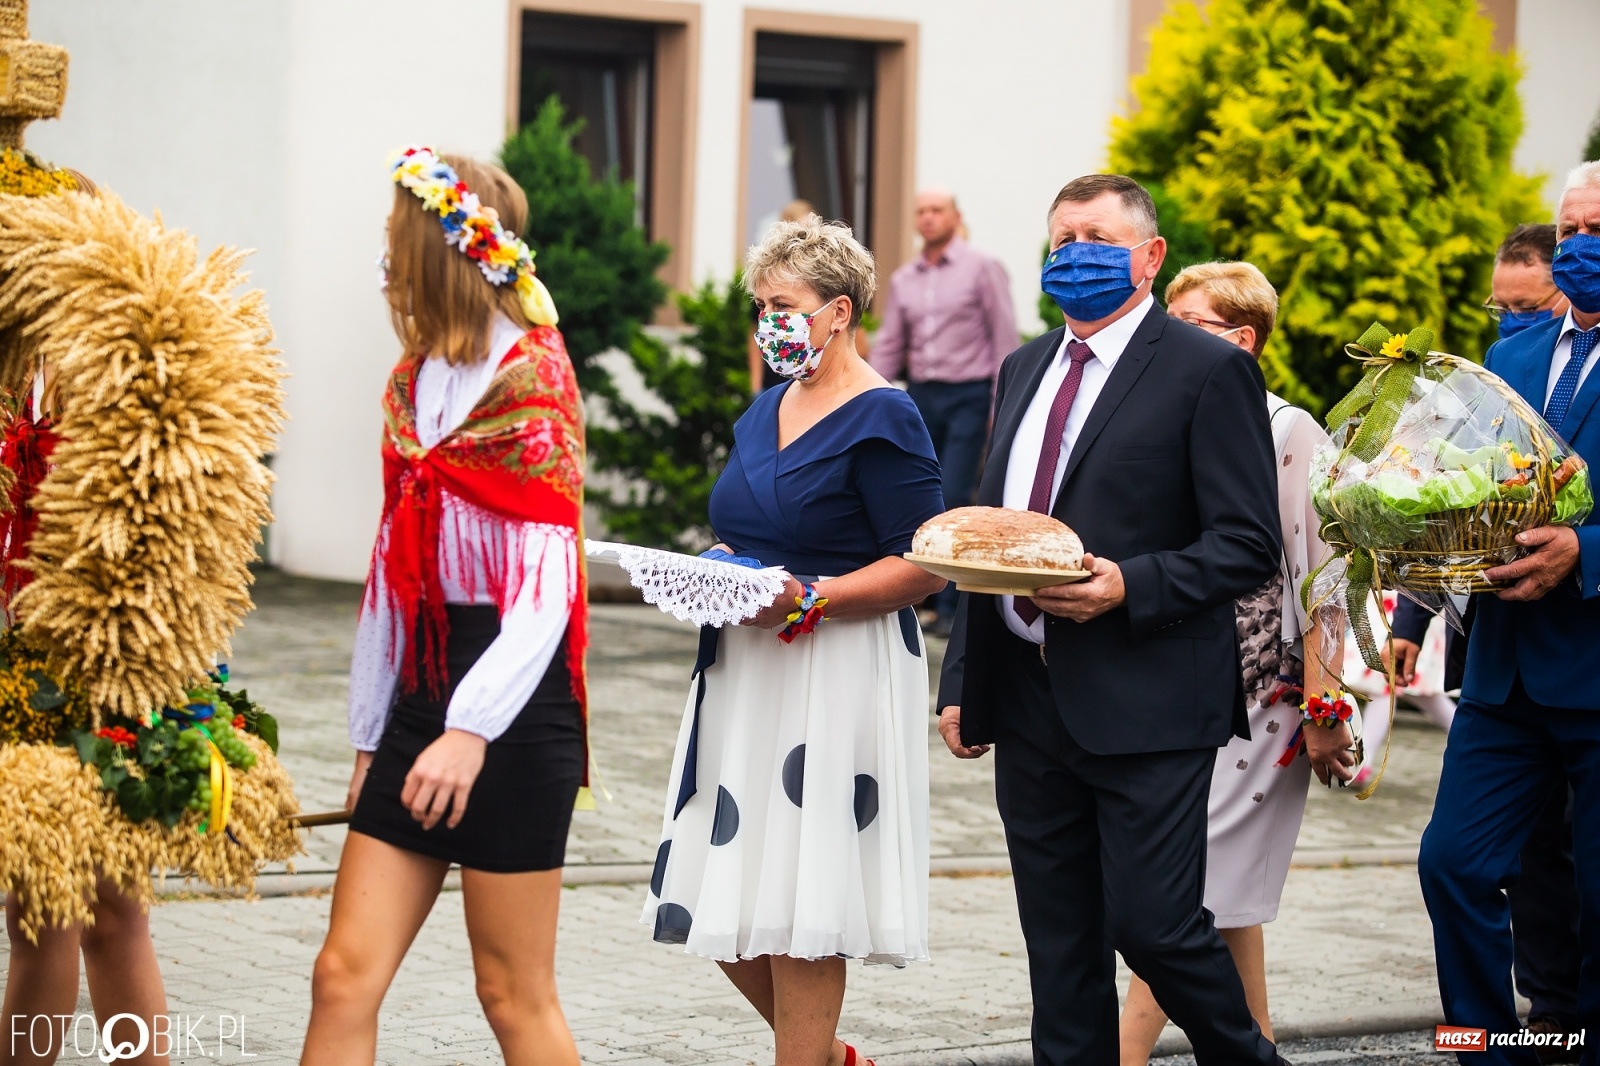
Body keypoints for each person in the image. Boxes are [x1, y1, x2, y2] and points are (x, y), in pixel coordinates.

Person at [937, 174, 1286, 1066]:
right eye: (1060, 240)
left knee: (1156, 926)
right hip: (1025, 699)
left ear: (1150, 255)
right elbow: (994, 529)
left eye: (1094, 237)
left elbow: (1248, 544)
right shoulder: (1022, 367)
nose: (1072, 255)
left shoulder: (1209, 370)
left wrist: (1130, 585)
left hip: (1148, 697)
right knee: (1059, 951)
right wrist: (964, 680)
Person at [301, 149, 587, 1066]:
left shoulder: (534, 374)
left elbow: (547, 587)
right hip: (422, 687)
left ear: (436, 250)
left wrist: (469, 731)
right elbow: (393, 570)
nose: (386, 260)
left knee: (511, 994)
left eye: (396, 239)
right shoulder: (409, 381)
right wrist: (369, 736)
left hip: (512, 703)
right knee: (342, 972)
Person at [644, 214, 946, 1066]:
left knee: (805, 892)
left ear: (840, 311)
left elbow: (926, 564)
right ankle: (831, 1057)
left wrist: (814, 597)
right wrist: (723, 564)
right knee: (718, 886)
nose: (767, 320)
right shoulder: (765, 406)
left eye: (784, 304)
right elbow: (747, 522)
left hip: (833, 668)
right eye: (760, 305)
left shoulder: (886, 415)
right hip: (744, 671)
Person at [1117, 261, 1352, 1063]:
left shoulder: (1288, 430)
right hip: (1177, 686)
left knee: (1179, 904)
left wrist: (1324, 711)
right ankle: (1256, 1045)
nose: (1166, 335)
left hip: (1261, 703)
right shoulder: (1165, 418)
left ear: (1241, 340)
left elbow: (1325, 580)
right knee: (1228, 902)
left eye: (1189, 322)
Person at [1417, 160, 1600, 1066]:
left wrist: (1586, 551)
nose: (1581, 248)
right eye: (1570, 231)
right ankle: (1483, 1048)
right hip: (1503, 669)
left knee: (1596, 901)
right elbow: (1470, 487)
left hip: (1597, 668)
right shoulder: (1511, 356)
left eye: (1598, 230)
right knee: (1452, 864)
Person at [870, 188, 1020, 634]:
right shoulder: (904, 279)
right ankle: (916, 593)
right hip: (920, 395)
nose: (928, 218)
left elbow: (1003, 336)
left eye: (937, 210)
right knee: (910, 495)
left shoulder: (982, 267)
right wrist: (865, 400)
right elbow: (891, 342)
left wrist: (1003, 401)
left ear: (955, 215)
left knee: (953, 493)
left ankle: (952, 604)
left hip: (970, 396)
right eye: (921, 211)